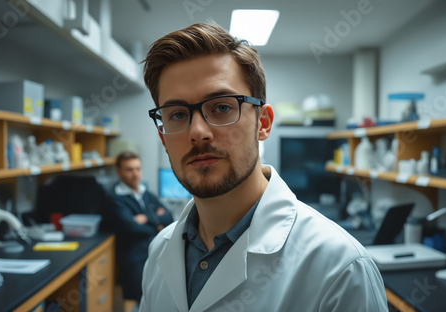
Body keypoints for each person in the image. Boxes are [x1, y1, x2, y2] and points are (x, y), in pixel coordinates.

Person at [140, 22, 388, 311]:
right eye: (178, 114)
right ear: (163, 137)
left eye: (221, 107)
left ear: (263, 123)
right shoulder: (160, 250)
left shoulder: (340, 268)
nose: (198, 131)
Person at [105, 151, 174, 309]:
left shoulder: (144, 192)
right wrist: (157, 224)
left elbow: (169, 217)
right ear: (119, 172)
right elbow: (132, 227)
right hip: (134, 256)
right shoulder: (115, 198)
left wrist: (146, 219)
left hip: (155, 249)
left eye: (137, 168)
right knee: (143, 299)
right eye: (129, 169)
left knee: (159, 296)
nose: (135, 174)